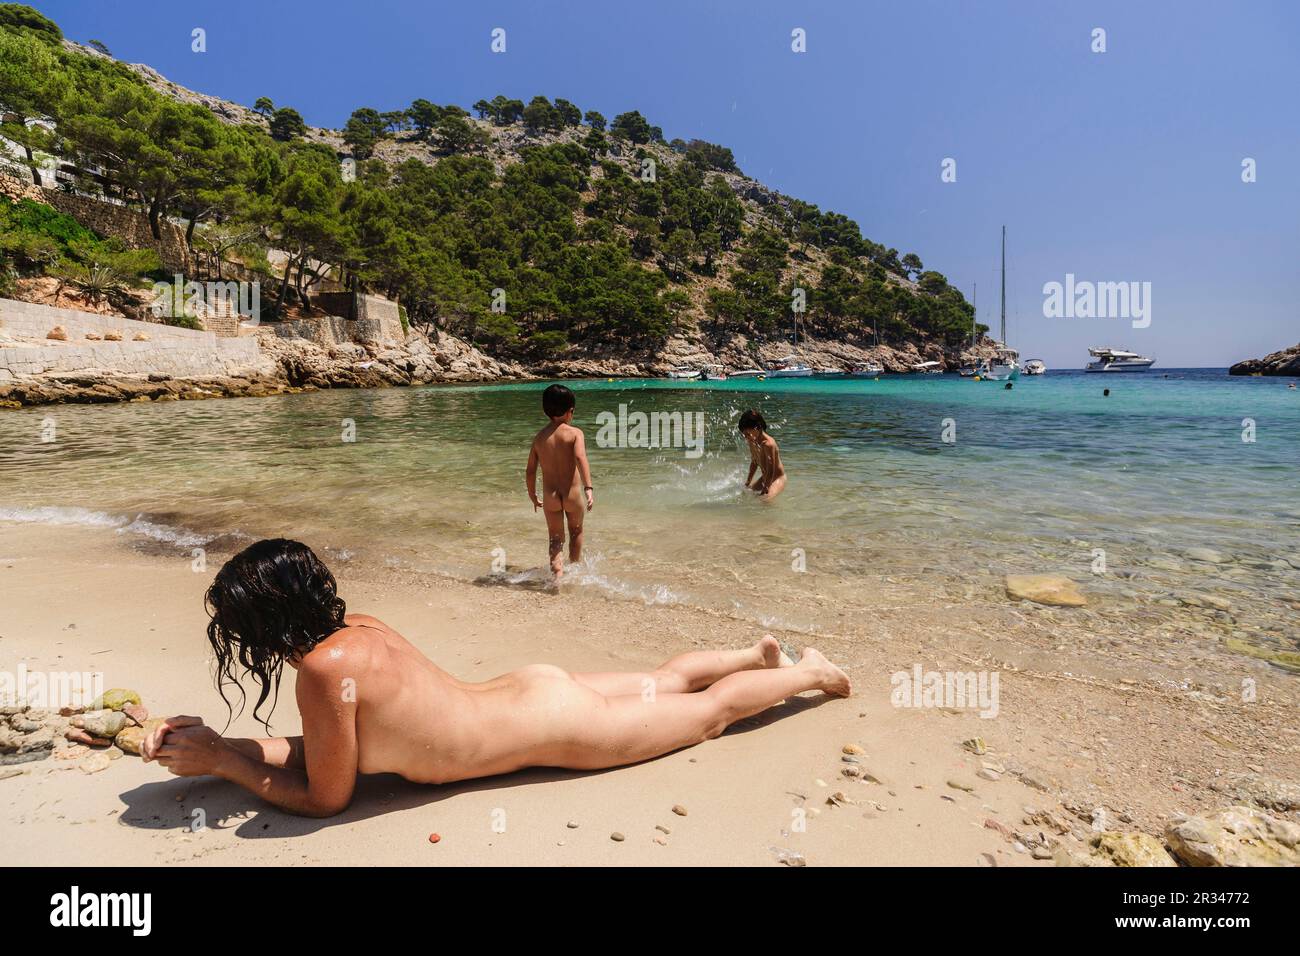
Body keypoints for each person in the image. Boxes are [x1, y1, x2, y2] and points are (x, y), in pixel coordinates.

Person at [141, 540, 851, 817]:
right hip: (535, 693)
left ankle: (806, 672)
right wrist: (220, 746)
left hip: (561, 729)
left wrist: (228, 767)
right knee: (666, 679)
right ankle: (753, 656)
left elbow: (327, 793)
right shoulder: (360, 627)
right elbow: (332, 747)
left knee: (712, 715)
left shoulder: (324, 672)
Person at [525, 384, 593, 577]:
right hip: (572, 496)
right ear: (570, 411)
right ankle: (575, 569)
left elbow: (530, 470)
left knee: (555, 539)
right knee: (576, 531)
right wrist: (588, 487)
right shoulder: (575, 433)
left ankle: (557, 575)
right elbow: (581, 458)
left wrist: (532, 494)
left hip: (550, 497)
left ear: (545, 411)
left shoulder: (539, 438)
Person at [738, 409, 786, 498]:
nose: (746, 437)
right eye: (744, 435)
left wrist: (766, 487)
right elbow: (754, 461)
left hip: (776, 478)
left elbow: (771, 470)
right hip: (765, 476)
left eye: (748, 434)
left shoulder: (768, 444)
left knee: (765, 499)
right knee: (747, 493)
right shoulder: (752, 440)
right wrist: (748, 482)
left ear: (757, 428)